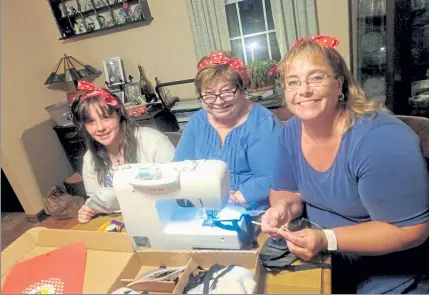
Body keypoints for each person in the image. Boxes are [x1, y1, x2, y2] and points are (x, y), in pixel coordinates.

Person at [261, 35, 429, 293]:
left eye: (316, 78)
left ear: (340, 84)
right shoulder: (290, 131)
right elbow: (287, 190)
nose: (303, 90)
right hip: (326, 263)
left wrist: (326, 239)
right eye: (293, 82)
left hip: (387, 278)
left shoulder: (380, 138)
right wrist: (283, 208)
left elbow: (410, 230)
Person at [173, 51, 282, 210]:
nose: (218, 101)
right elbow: (178, 168)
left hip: (252, 210)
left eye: (226, 91)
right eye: (209, 94)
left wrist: (233, 198)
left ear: (242, 88)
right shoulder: (197, 122)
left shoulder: (263, 123)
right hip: (204, 206)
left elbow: (272, 177)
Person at [71, 81, 175, 224]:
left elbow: (174, 190)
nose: (100, 127)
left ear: (119, 113)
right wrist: (88, 211)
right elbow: (98, 203)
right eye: (91, 121)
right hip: (116, 222)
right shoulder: (89, 159)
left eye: (106, 117)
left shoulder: (153, 141)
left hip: (160, 217)